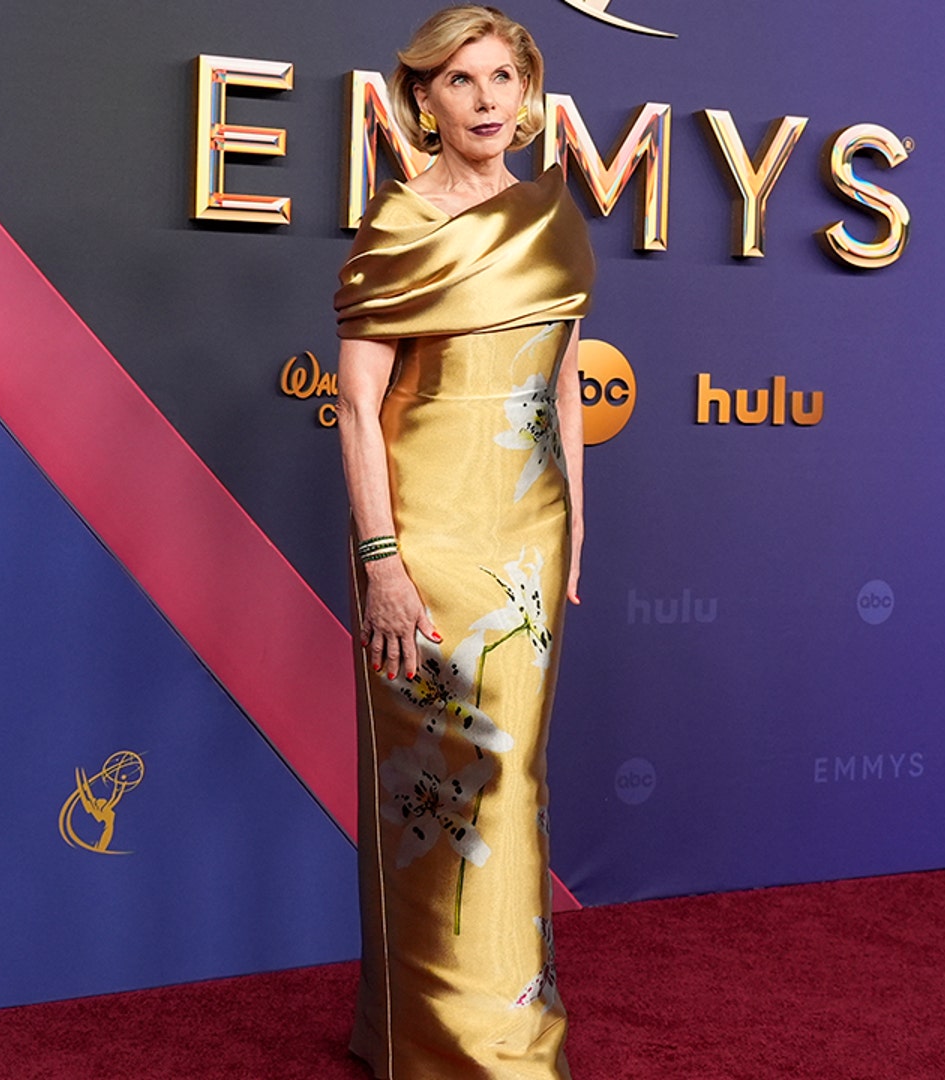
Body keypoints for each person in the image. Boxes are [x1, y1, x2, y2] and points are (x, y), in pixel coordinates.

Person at [333, 6, 594, 1077]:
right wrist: (380, 563)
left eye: (504, 80)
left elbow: (566, 380)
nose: (488, 103)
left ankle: (510, 1029)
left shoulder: (552, 218)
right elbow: (357, 406)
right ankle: (432, 1038)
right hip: (430, 535)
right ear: (424, 100)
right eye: (461, 82)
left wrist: (579, 525)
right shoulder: (398, 227)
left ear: (528, 93)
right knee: (439, 783)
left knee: (515, 776)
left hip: (532, 533)